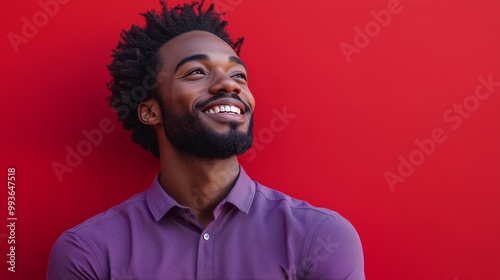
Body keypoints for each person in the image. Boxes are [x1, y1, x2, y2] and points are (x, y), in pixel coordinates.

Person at [47, 1, 365, 279]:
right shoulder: (89, 252)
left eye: (238, 75)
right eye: (197, 72)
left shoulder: (322, 238)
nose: (228, 84)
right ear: (150, 111)